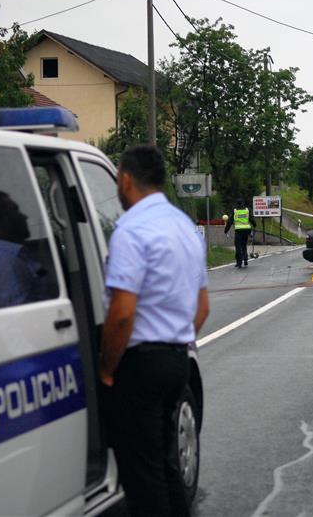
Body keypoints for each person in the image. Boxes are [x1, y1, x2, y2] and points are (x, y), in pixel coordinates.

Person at [99, 144, 209, 517]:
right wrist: (174, 340)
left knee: (142, 478)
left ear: (126, 180)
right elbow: (203, 307)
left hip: (139, 366)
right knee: (166, 466)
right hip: (177, 361)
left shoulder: (130, 230)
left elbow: (122, 316)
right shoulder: (185, 227)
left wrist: (107, 369)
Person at [224, 198, 255, 268]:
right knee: (244, 245)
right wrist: (254, 225)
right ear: (243, 203)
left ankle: (239, 262)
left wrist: (226, 230)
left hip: (239, 231)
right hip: (247, 230)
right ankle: (246, 259)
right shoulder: (247, 210)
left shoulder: (235, 211)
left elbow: (229, 222)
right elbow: (251, 219)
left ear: (237, 204)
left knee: (238, 246)